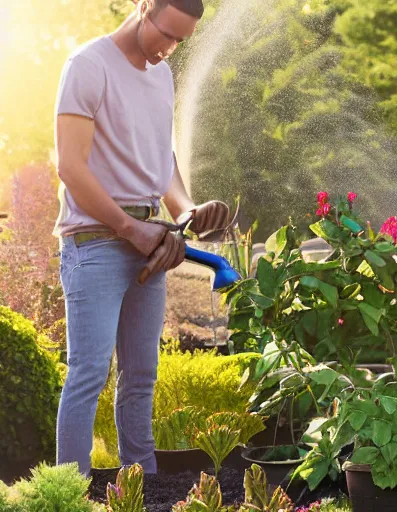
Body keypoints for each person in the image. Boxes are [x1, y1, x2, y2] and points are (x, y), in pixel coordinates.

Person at [53, 0, 229, 476]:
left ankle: (143, 487)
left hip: (151, 242)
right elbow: (71, 166)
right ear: (144, 6)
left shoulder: (161, 74)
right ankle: (70, 496)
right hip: (96, 241)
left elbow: (161, 161)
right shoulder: (89, 66)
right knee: (89, 373)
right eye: (166, 34)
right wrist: (129, 228)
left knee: (141, 379)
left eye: (180, 41)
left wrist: (186, 210)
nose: (170, 48)